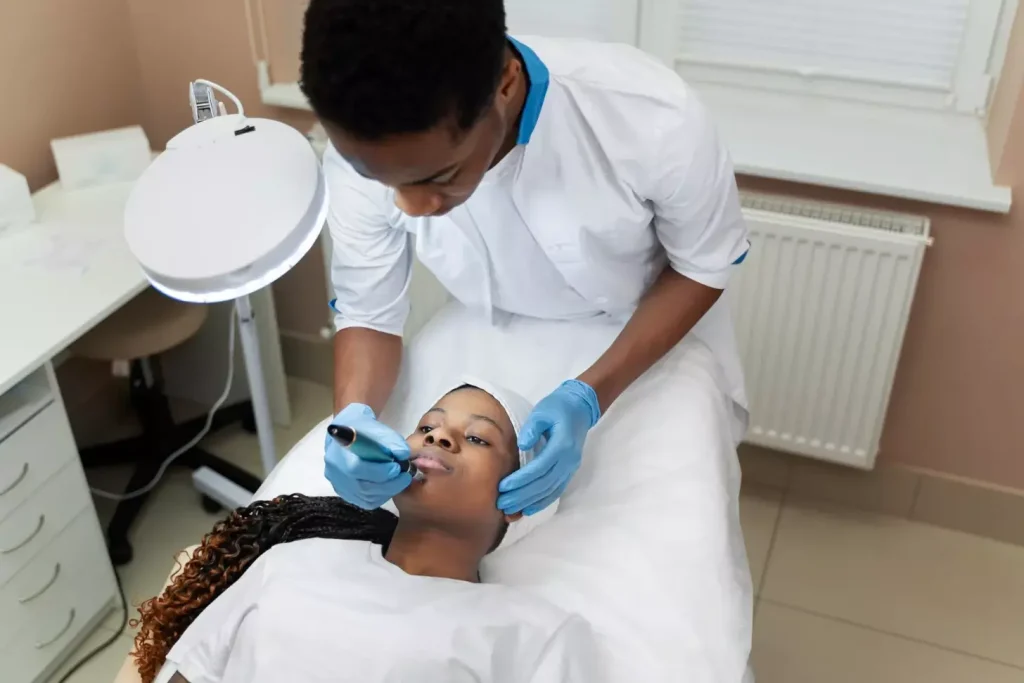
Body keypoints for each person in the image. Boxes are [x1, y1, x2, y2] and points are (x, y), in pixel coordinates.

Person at [303, 0, 749, 517]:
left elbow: (701, 266)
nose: (412, 207)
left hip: (638, 329)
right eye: (382, 182)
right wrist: (352, 421)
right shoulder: (361, 145)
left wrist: (589, 397)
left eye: (439, 177)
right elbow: (368, 311)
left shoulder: (650, 117)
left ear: (507, 84)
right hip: (487, 329)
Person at [132, 382, 595, 683]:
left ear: (522, 499)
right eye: (427, 426)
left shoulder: (536, 631)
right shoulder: (293, 560)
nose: (437, 438)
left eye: (477, 438)